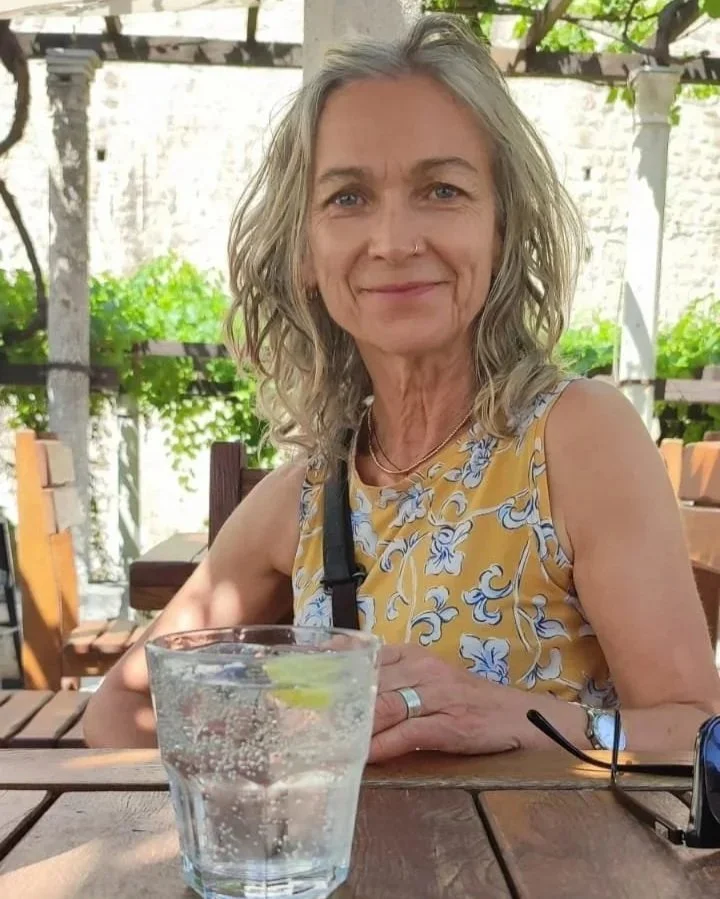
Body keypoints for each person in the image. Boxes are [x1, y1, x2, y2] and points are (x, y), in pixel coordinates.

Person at [84, 14, 720, 759]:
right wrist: (277, 731)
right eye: (347, 198)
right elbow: (120, 710)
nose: (392, 241)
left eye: (442, 190)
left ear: (502, 229)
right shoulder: (309, 492)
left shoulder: (576, 436)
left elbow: (698, 732)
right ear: (307, 255)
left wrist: (510, 718)